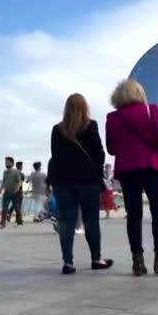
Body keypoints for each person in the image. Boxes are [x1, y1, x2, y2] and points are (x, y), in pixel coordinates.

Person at [106, 79, 158, 276]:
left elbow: (111, 149)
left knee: (134, 216)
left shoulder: (113, 118)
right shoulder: (150, 110)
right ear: (139, 93)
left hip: (127, 171)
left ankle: (138, 264)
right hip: (152, 168)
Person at [50, 93, 113, 274]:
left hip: (64, 182)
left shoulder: (57, 129)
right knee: (91, 220)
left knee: (67, 221)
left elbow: (56, 157)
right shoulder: (90, 126)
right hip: (88, 182)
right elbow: (100, 155)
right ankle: (96, 259)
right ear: (85, 107)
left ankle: (68, 263)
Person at [0, 157, 23, 228]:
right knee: (4, 208)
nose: (6, 163)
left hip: (15, 193)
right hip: (7, 192)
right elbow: (4, 182)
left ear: (12, 163)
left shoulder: (16, 172)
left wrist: (17, 189)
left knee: (17, 208)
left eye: (7, 162)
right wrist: (0, 189)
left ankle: (20, 221)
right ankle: (2, 223)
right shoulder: (5, 172)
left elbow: (19, 182)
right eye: (5, 162)